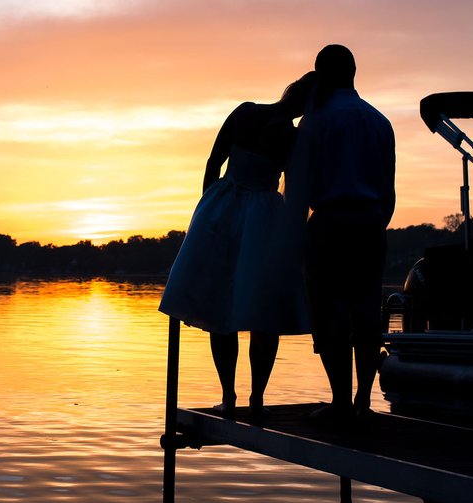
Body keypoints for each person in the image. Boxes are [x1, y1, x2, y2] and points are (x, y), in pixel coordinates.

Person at [159, 73, 316, 421]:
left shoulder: (244, 112)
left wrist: (206, 212)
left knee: (219, 306)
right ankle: (256, 397)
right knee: (264, 312)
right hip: (264, 216)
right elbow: (295, 192)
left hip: (222, 207)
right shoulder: (294, 138)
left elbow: (214, 163)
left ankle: (229, 396)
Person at [299, 44, 396, 427]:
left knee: (329, 313)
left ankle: (341, 400)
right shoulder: (379, 120)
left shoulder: (317, 121)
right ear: (354, 72)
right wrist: (376, 220)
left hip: (330, 223)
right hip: (371, 224)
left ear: (321, 75)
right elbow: (388, 186)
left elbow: (302, 185)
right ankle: (364, 400)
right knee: (367, 313)